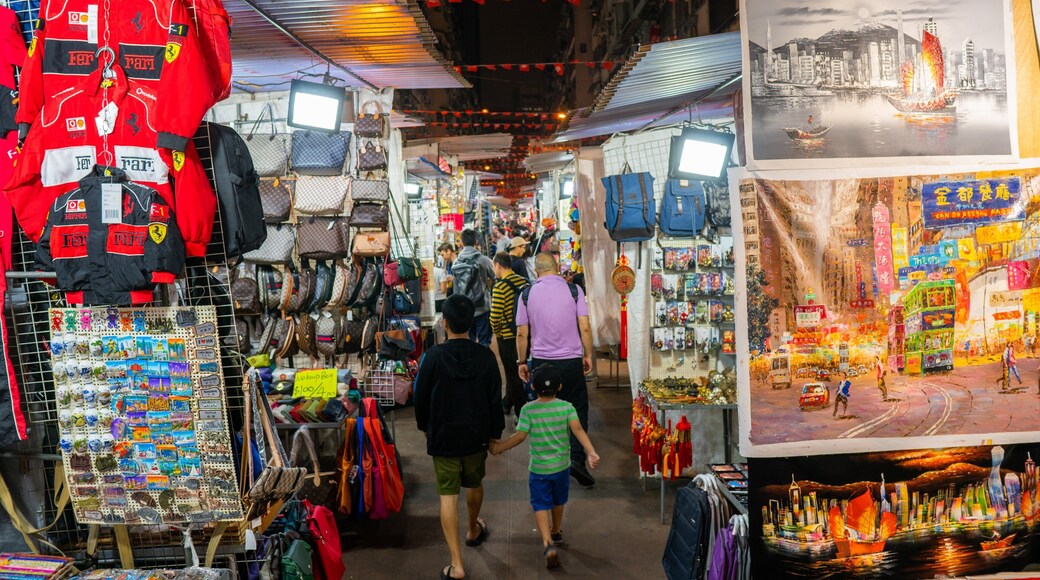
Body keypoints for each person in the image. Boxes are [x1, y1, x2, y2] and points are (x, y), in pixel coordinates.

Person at [414, 295, 505, 580]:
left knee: (447, 496)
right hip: (477, 436)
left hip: (443, 437)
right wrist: (495, 434)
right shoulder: (486, 357)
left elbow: (421, 397)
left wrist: (424, 426)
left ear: (445, 323)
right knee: (475, 482)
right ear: (471, 323)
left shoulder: (432, 357)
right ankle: (472, 529)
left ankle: (457, 564)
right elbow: (495, 400)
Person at [491, 364, 600, 568]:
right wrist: (590, 451)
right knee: (558, 500)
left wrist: (500, 447)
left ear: (532, 386)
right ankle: (556, 531)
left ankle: (548, 544)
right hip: (561, 467)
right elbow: (578, 430)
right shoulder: (567, 407)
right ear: (559, 387)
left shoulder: (528, 409)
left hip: (539, 469)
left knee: (540, 503)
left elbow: (520, 436)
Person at [516, 252, 596, 487]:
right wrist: (588, 354)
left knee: (546, 411)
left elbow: (522, 332)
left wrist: (522, 362)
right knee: (577, 409)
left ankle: (550, 464)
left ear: (536, 272)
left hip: (542, 363)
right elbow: (585, 327)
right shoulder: (574, 291)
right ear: (557, 268)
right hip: (571, 362)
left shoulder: (527, 293)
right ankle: (577, 459)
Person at [490, 252, 530, 419]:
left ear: (498, 265)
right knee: (515, 371)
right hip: (525, 336)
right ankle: (506, 403)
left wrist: (498, 333)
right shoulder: (524, 282)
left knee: (514, 377)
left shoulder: (500, 287)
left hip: (507, 338)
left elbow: (494, 317)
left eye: (494, 267)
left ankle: (521, 413)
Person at [452, 230, 496, 347]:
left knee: (467, 343)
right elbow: (496, 277)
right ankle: (483, 364)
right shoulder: (483, 260)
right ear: (476, 242)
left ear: (461, 242)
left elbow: (456, 289)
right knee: (484, 343)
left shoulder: (456, 263)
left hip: (465, 310)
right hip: (483, 308)